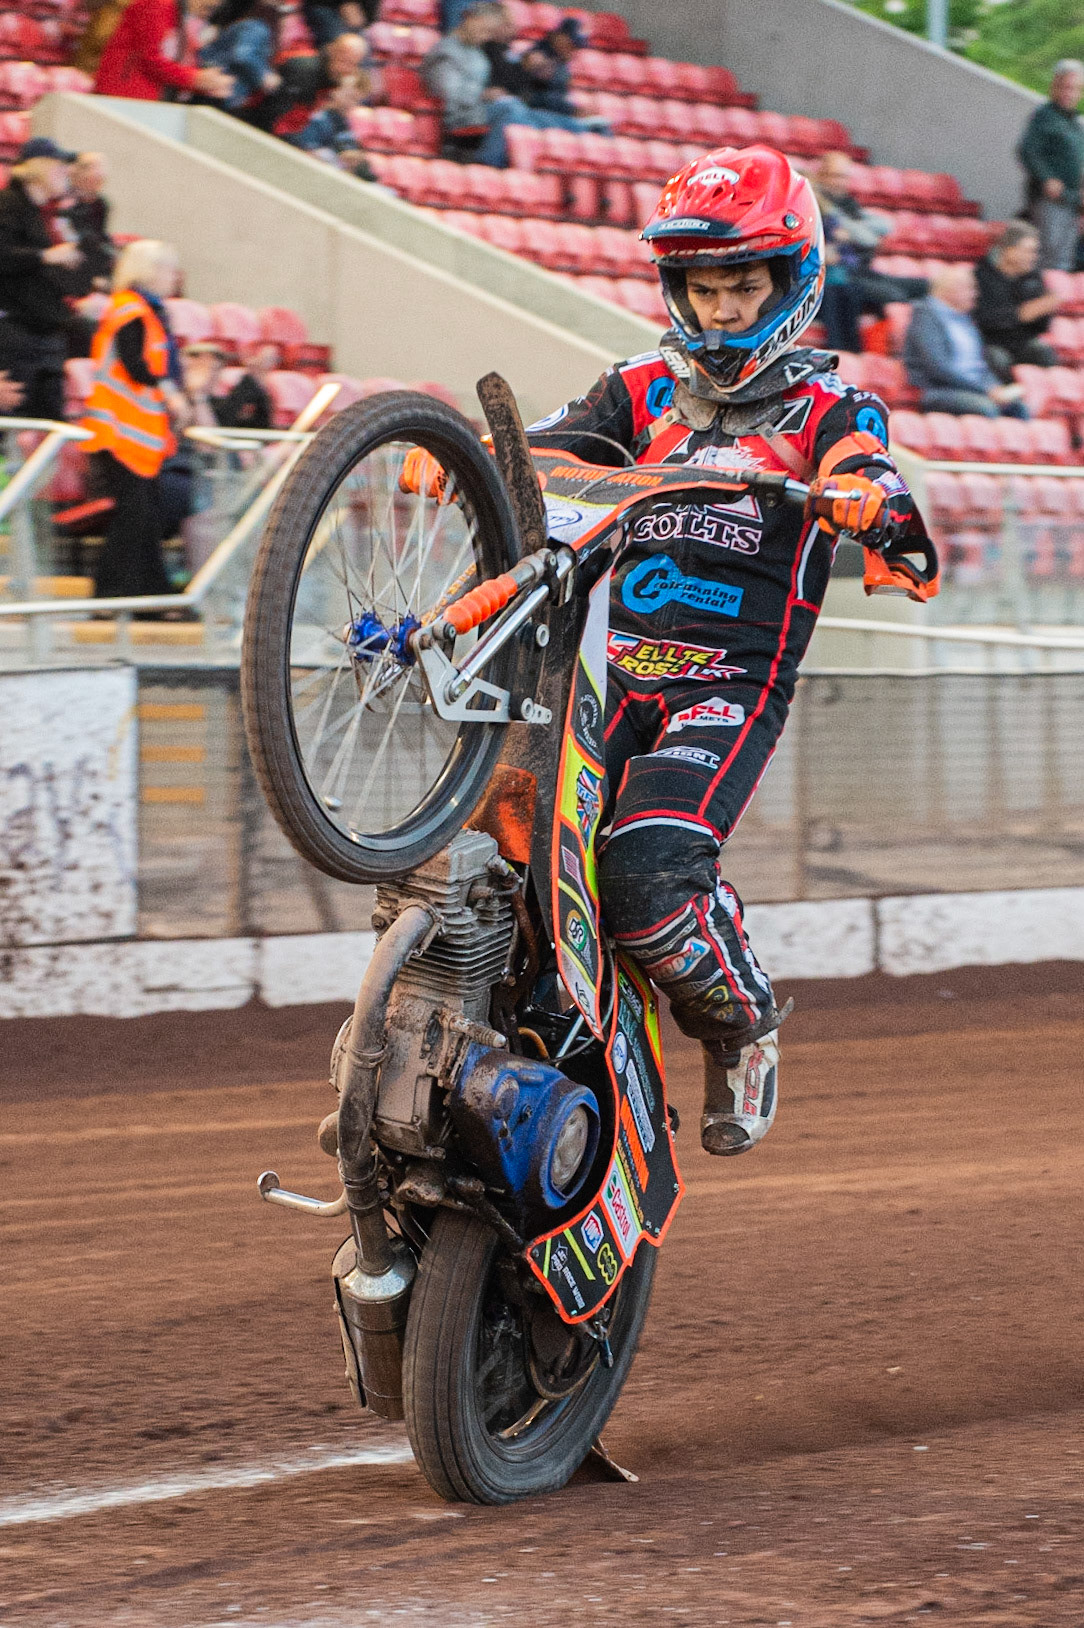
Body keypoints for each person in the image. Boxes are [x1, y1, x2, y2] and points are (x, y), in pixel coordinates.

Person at [406, 146, 933, 1157]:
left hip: (726, 686)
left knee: (646, 872)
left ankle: (741, 1023)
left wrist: (868, 498)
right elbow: (543, 452)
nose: (722, 310)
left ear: (793, 281)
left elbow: (871, 468)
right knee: (494, 851)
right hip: (601, 669)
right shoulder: (640, 388)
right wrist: (469, 462)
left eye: (744, 286)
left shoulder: (830, 406)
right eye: (703, 287)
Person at [82, 239, 188, 600]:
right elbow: (136, 367)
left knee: (146, 518)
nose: (175, 276)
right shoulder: (130, 309)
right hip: (118, 432)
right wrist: (170, 392)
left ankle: (150, 595)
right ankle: (112, 594)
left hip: (136, 436)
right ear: (151, 271)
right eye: (169, 269)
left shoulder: (147, 310)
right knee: (134, 518)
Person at [422, 2, 602, 168]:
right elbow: (448, 94)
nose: (485, 37)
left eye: (489, 32)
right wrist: (484, 94)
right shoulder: (446, 50)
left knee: (526, 113)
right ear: (470, 19)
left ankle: (581, 128)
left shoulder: (476, 53)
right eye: (484, 30)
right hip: (461, 114)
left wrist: (493, 92)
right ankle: (486, 163)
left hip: (481, 108)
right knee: (512, 109)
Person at [0, 144, 85, 421]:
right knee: (12, 416)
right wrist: (46, 256)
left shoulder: (46, 213)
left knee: (48, 421)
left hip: (45, 331)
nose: (66, 173)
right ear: (38, 169)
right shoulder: (8, 204)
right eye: (59, 167)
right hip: (16, 331)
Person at [814, 150, 928, 352]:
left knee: (924, 286)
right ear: (821, 176)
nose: (840, 182)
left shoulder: (850, 205)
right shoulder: (819, 207)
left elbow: (883, 227)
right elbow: (867, 239)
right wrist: (860, 235)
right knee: (893, 294)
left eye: (844, 177)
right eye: (835, 176)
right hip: (841, 277)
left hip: (862, 271)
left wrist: (854, 233)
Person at [904, 263, 1030, 417]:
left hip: (974, 389)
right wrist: (986, 390)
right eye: (970, 288)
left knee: (1018, 407)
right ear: (950, 290)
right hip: (940, 390)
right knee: (986, 408)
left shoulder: (965, 320)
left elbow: (980, 365)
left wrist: (995, 387)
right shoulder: (925, 318)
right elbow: (939, 368)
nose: (975, 294)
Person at [94, 0, 234, 102]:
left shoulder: (177, 12)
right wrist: (195, 79)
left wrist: (204, 83)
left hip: (138, 98)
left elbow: (170, 64)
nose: (215, 4)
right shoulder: (159, 4)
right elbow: (150, 59)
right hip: (122, 95)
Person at [1018, 60, 1084, 272]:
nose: (1069, 93)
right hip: (1049, 200)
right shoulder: (1044, 116)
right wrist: (1047, 178)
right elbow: (1027, 151)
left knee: (1063, 260)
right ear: (1054, 86)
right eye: (1065, 87)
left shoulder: (1074, 122)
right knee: (1047, 257)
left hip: (1071, 201)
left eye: (1075, 89)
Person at [974, 220, 1060, 380]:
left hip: (1023, 343)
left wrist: (1045, 310)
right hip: (991, 344)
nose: (1033, 257)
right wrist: (1020, 314)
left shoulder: (1033, 277)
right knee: (997, 359)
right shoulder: (981, 275)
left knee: (1043, 352)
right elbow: (982, 319)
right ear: (1009, 250)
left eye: (1035, 252)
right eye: (1028, 251)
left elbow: (1041, 327)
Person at [252, 30, 366, 137]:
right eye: (344, 61)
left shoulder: (331, 82)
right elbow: (273, 115)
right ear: (332, 51)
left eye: (353, 65)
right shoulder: (305, 69)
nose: (347, 70)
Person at [198, 0, 282, 111]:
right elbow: (243, 55)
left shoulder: (243, 24)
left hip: (212, 84)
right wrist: (264, 76)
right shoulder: (256, 27)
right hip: (224, 88)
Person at [286, 74, 377, 176]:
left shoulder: (346, 123)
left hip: (336, 168)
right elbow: (307, 147)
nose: (351, 103)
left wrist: (354, 157)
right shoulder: (319, 115)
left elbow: (349, 149)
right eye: (349, 96)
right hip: (307, 163)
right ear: (335, 91)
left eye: (356, 100)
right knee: (326, 155)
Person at [59, 152, 116, 290]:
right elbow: (70, 236)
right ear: (76, 174)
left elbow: (100, 234)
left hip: (93, 255)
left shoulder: (101, 204)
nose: (97, 178)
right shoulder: (65, 201)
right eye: (90, 170)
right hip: (71, 257)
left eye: (100, 177)